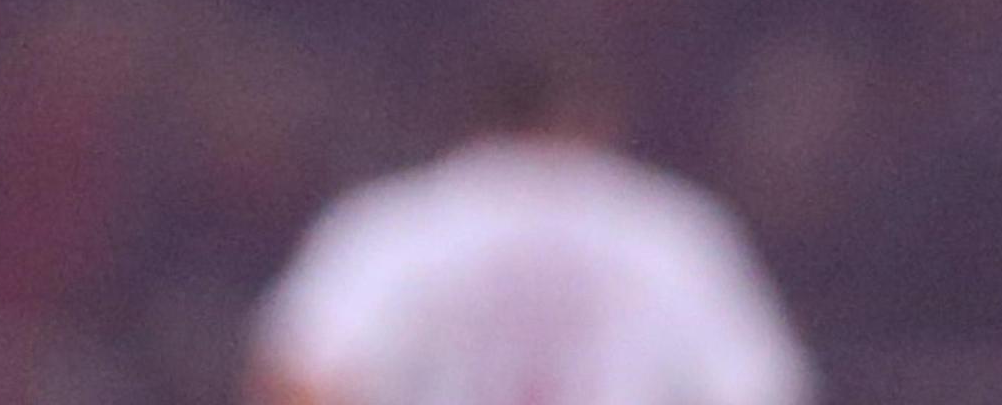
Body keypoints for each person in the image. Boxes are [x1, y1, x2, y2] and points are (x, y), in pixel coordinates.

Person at [248, 39, 814, 405]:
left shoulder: (402, 223)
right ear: (598, 114)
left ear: (476, 112)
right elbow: (761, 390)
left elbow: (298, 385)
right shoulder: (666, 229)